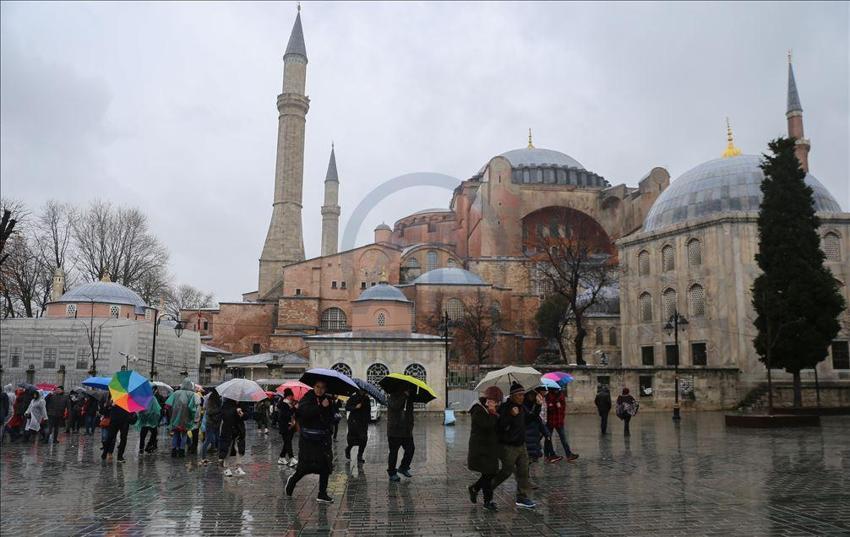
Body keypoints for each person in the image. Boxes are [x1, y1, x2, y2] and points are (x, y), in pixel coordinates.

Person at [285, 380, 335, 503]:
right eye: (318, 387)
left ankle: (322, 494)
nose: (320, 389)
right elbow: (305, 413)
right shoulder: (307, 399)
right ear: (313, 387)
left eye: (323, 387)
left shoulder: (327, 400)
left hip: (323, 439)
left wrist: (330, 407)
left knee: (325, 466)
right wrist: (320, 407)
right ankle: (292, 481)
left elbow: (330, 417)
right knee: (305, 467)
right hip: (309, 440)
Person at [492, 382, 536, 509]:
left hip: (521, 445)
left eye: (523, 395)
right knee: (506, 471)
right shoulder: (505, 407)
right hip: (507, 446)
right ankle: (488, 487)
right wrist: (511, 416)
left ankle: (522, 497)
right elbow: (500, 427)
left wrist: (537, 406)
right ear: (512, 396)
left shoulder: (522, 407)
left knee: (523, 471)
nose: (522, 397)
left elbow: (530, 419)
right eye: (519, 395)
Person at [467, 386, 502, 511]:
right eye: (495, 401)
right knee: (489, 472)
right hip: (481, 448)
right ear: (488, 399)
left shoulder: (489, 409)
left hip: (490, 447)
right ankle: (488, 502)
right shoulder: (478, 409)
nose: (496, 404)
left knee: (490, 473)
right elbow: (486, 425)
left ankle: (475, 488)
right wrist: (492, 413)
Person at [386, 388, 415, 482]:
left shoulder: (409, 398)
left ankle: (403, 467)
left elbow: (410, 413)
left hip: (406, 431)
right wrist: (404, 396)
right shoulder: (392, 397)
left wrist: (411, 425)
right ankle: (392, 473)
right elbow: (395, 406)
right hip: (395, 430)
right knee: (394, 452)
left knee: (411, 449)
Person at [544, 387, 579, 462]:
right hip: (550, 421)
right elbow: (548, 409)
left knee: (563, 439)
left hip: (559, 421)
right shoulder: (548, 396)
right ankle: (547, 455)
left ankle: (569, 454)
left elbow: (563, 408)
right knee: (548, 438)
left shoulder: (561, 395)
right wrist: (553, 404)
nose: (557, 390)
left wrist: (559, 406)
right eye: (555, 389)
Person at [165, 378, 197, 458]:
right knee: (184, 434)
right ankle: (182, 450)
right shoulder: (191, 394)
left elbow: (168, 404)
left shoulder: (176, 393)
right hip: (186, 418)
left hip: (175, 418)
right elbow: (192, 408)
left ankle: (174, 450)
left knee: (176, 433)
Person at [218, 397, 246, 476]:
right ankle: (226, 468)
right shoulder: (226, 404)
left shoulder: (242, 403)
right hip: (228, 429)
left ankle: (238, 467)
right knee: (227, 448)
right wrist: (235, 410)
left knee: (239, 448)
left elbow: (247, 415)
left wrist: (242, 414)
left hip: (239, 429)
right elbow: (224, 415)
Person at [344, 389, 371, 463]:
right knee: (352, 439)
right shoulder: (353, 397)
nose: (362, 392)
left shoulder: (366, 398)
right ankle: (348, 449)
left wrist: (368, 418)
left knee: (363, 439)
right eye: (361, 390)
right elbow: (347, 407)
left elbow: (368, 409)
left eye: (364, 390)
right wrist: (355, 407)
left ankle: (359, 456)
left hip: (363, 422)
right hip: (354, 422)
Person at [523, 390, 548, 463]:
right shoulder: (523, 406)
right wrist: (538, 406)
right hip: (527, 437)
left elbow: (538, 419)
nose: (532, 397)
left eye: (533, 395)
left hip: (534, 438)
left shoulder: (533, 405)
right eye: (531, 395)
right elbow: (530, 417)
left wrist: (546, 433)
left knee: (532, 460)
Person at [200, 390, 222, 465]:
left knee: (218, 440)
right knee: (208, 440)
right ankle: (203, 458)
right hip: (211, 423)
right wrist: (219, 410)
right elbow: (209, 411)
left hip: (216, 423)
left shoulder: (219, 401)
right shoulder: (210, 401)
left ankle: (220, 458)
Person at [276, 389, 297, 467]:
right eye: (290, 396)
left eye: (292, 396)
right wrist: (294, 408)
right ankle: (291, 458)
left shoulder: (290, 404)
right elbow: (285, 415)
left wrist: (294, 407)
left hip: (291, 426)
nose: (291, 397)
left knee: (287, 442)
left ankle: (281, 457)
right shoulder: (284, 404)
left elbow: (293, 414)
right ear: (287, 396)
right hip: (285, 426)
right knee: (288, 442)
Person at [189, 385, 204, 455]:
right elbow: (198, 410)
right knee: (194, 434)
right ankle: (193, 448)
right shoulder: (196, 396)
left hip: (191, 419)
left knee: (191, 433)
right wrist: (198, 419)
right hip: (195, 419)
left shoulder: (190, 396)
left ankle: (192, 447)